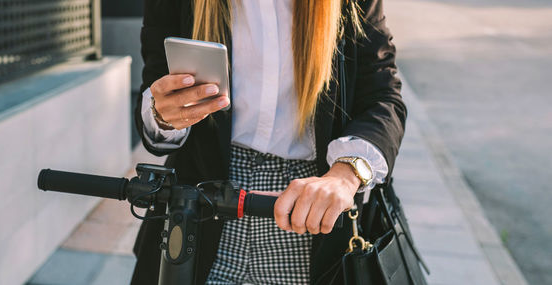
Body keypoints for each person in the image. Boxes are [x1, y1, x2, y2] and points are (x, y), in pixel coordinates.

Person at [132, 0, 405, 284]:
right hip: (202, 204)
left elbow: (382, 97)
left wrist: (346, 174)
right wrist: (164, 114)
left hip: (310, 209)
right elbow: (155, 89)